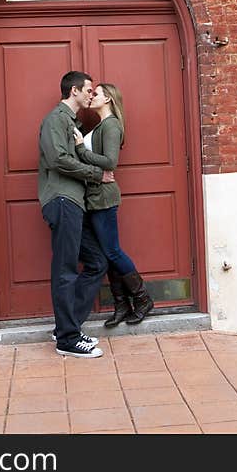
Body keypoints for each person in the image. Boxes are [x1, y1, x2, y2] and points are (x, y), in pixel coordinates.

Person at [38, 71, 115, 358]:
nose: (90, 94)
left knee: (96, 261)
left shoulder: (72, 123)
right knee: (65, 269)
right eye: (88, 90)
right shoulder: (56, 119)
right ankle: (67, 340)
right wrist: (97, 174)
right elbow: (58, 159)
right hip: (61, 200)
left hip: (75, 202)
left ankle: (66, 327)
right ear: (74, 91)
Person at [73, 83, 154, 328]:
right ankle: (121, 306)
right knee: (106, 255)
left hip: (104, 197)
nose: (91, 96)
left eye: (95, 93)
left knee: (113, 252)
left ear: (107, 98)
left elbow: (110, 162)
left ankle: (142, 299)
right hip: (94, 197)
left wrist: (79, 149)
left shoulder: (111, 125)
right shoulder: (99, 125)